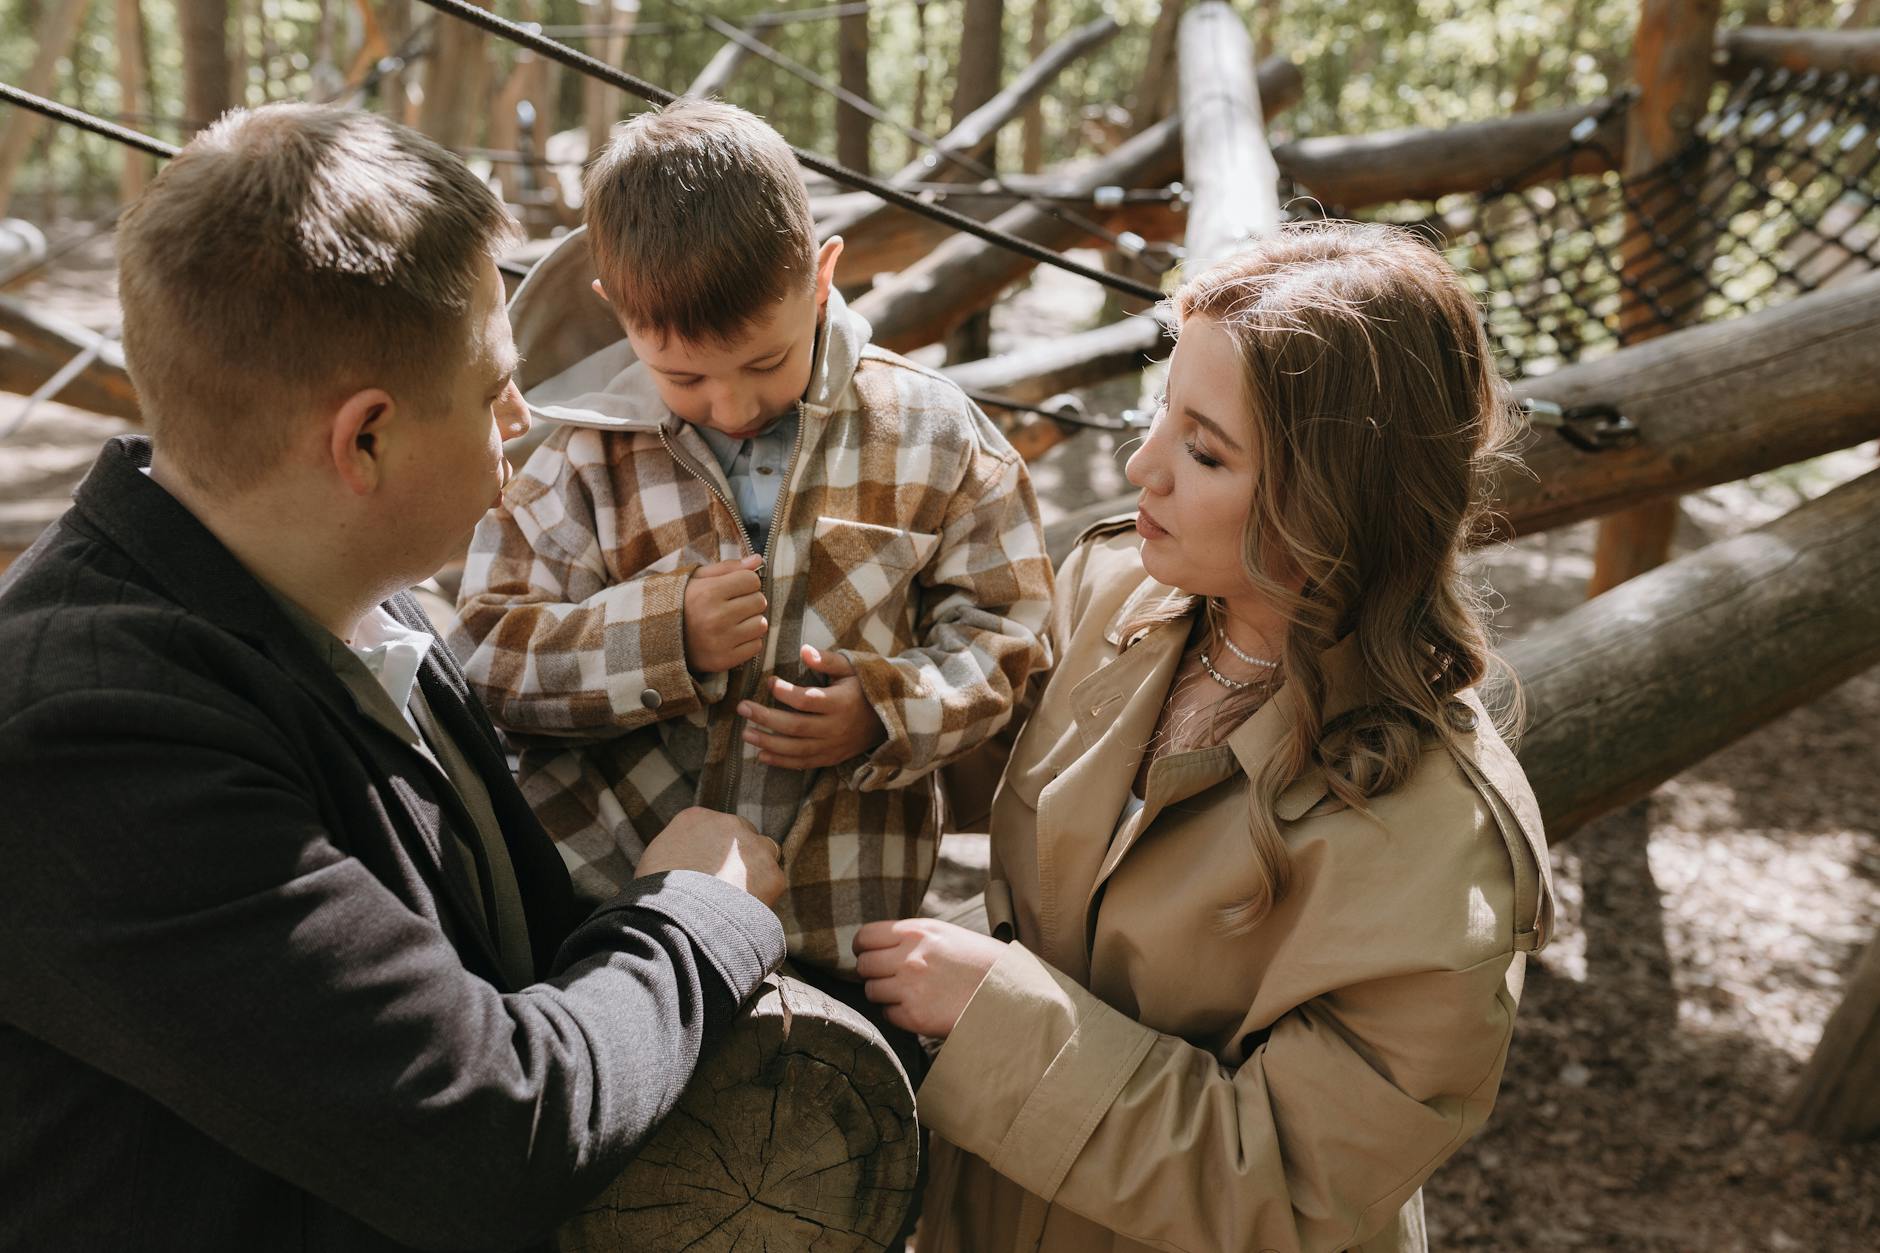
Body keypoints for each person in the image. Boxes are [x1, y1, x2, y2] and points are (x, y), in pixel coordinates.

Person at [0, 103, 789, 1252]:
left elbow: (487, 957)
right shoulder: (90, 740)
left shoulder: (364, 607)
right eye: (490, 388)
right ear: (363, 439)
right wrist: (698, 911)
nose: (520, 418)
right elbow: (491, 1128)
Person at [854, 221, 1558, 1253]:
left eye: (1204, 448)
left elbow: (1287, 1184)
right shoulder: (1112, 589)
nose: (1141, 465)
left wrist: (993, 1016)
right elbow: (999, 782)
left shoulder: (1440, 845)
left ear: (1334, 501)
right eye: (1159, 412)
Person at [451, 98, 1054, 984]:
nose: (732, 408)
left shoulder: (937, 434)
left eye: (767, 362)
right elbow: (489, 659)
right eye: (684, 375)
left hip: (839, 932)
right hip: (610, 929)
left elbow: (1009, 638)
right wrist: (663, 635)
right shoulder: (572, 454)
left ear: (823, 276)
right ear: (616, 309)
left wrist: (885, 707)